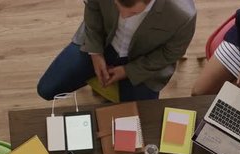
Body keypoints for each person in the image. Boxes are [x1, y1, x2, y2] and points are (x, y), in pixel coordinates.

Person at [37, 0, 197, 102]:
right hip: (100, 41)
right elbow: (93, 9)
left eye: (134, 13)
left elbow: (170, 53)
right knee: (46, 89)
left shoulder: (183, 15)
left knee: (137, 124)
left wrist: (128, 71)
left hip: (145, 63)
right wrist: (95, 52)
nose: (124, 17)